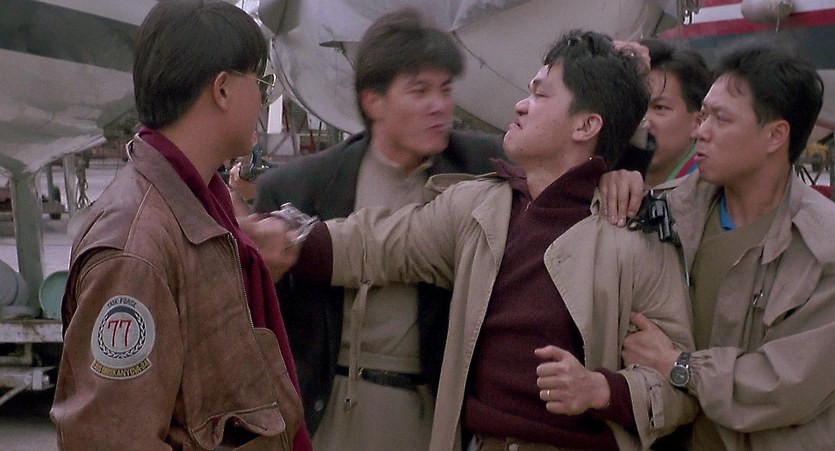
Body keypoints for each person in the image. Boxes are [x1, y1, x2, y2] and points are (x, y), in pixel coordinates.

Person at [259, 29, 698, 450]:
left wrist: (601, 389)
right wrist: (288, 238)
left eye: (541, 95)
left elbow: (678, 386)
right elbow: (379, 243)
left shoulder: (634, 231)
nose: (521, 105)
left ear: (586, 125)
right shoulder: (481, 208)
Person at [49, 1, 310, 449]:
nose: (263, 98)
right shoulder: (136, 248)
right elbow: (112, 438)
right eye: (261, 83)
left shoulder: (201, 210)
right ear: (222, 89)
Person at [252, 8, 505, 450]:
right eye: (419, 90)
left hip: (430, 416)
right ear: (374, 101)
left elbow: (575, 162)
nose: (439, 106)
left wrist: (622, 178)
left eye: (446, 89)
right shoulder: (300, 187)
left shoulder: (486, 169)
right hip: (325, 411)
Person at [607, 41, 833, 449]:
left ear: (775, 135)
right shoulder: (662, 213)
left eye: (721, 119)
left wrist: (679, 367)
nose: (701, 131)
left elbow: (788, 385)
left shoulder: (824, 247)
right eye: (704, 115)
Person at [640, 38, 711, 188]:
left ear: (698, 122)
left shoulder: (712, 188)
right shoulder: (605, 178)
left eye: (659, 107)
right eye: (636, 106)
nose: (643, 121)